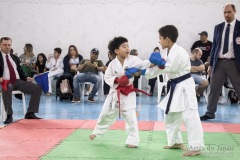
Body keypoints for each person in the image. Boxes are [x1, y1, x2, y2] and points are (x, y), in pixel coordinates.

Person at [145, 25, 204, 156]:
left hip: (184, 85)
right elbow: (159, 68)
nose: (159, 41)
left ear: (167, 38)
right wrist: (144, 71)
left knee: (190, 116)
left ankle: (196, 147)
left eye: (160, 38)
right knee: (171, 115)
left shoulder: (179, 52)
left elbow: (168, 67)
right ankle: (176, 142)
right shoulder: (165, 52)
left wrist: (158, 64)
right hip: (175, 86)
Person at [89, 36, 151, 148]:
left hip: (128, 93)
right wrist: (117, 80)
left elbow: (144, 65)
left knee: (130, 116)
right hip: (115, 93)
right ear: (117, 51)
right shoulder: (112, 63)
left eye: (128, 45)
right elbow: (107, 76)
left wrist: (154, 62)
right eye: (124, 46)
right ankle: (97, 132)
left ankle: (133, 140)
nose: (127, 48)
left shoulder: (134, 60)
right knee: (105, 113)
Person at [200, 4, 240, 120]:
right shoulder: (218, 27)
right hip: (219, 63)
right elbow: (215, 48)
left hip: (234, 63)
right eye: (225, 13)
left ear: (234, 11)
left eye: (229, 12)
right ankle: (210, 113)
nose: (227, 15)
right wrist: (211, 64)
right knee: (214, 88)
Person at [0, 37, 42, 124]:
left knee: (37, 88)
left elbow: (20, 70)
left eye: (9, 45)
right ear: (0, 45)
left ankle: (30, 113)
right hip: (5, 81)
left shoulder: (15, 57)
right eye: (5, 45)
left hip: (17, 81)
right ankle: (9, 115)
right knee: (7, 87)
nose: (7, 47)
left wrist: (26, 78)